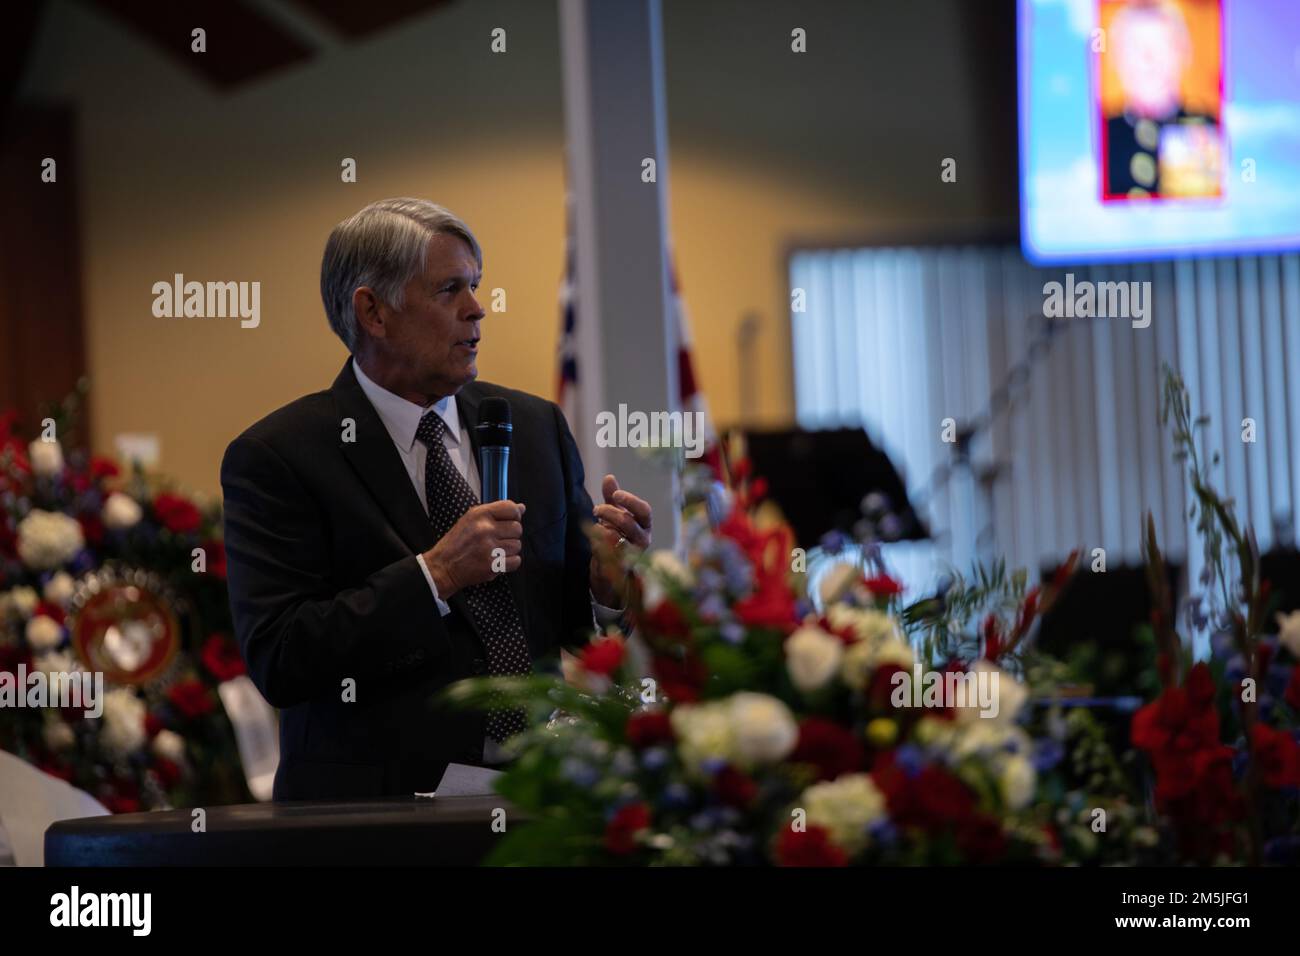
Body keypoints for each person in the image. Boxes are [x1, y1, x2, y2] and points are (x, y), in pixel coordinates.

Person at [220, 198, 652, 799]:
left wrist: (606, 591)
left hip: (537, 802)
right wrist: (436, 575)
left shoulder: (533, 427)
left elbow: (576, 631)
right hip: (373, 821)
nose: (477, 310)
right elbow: (282, 657)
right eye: (449, 290)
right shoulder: (279, 457)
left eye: (475, 286)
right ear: (373, 311)